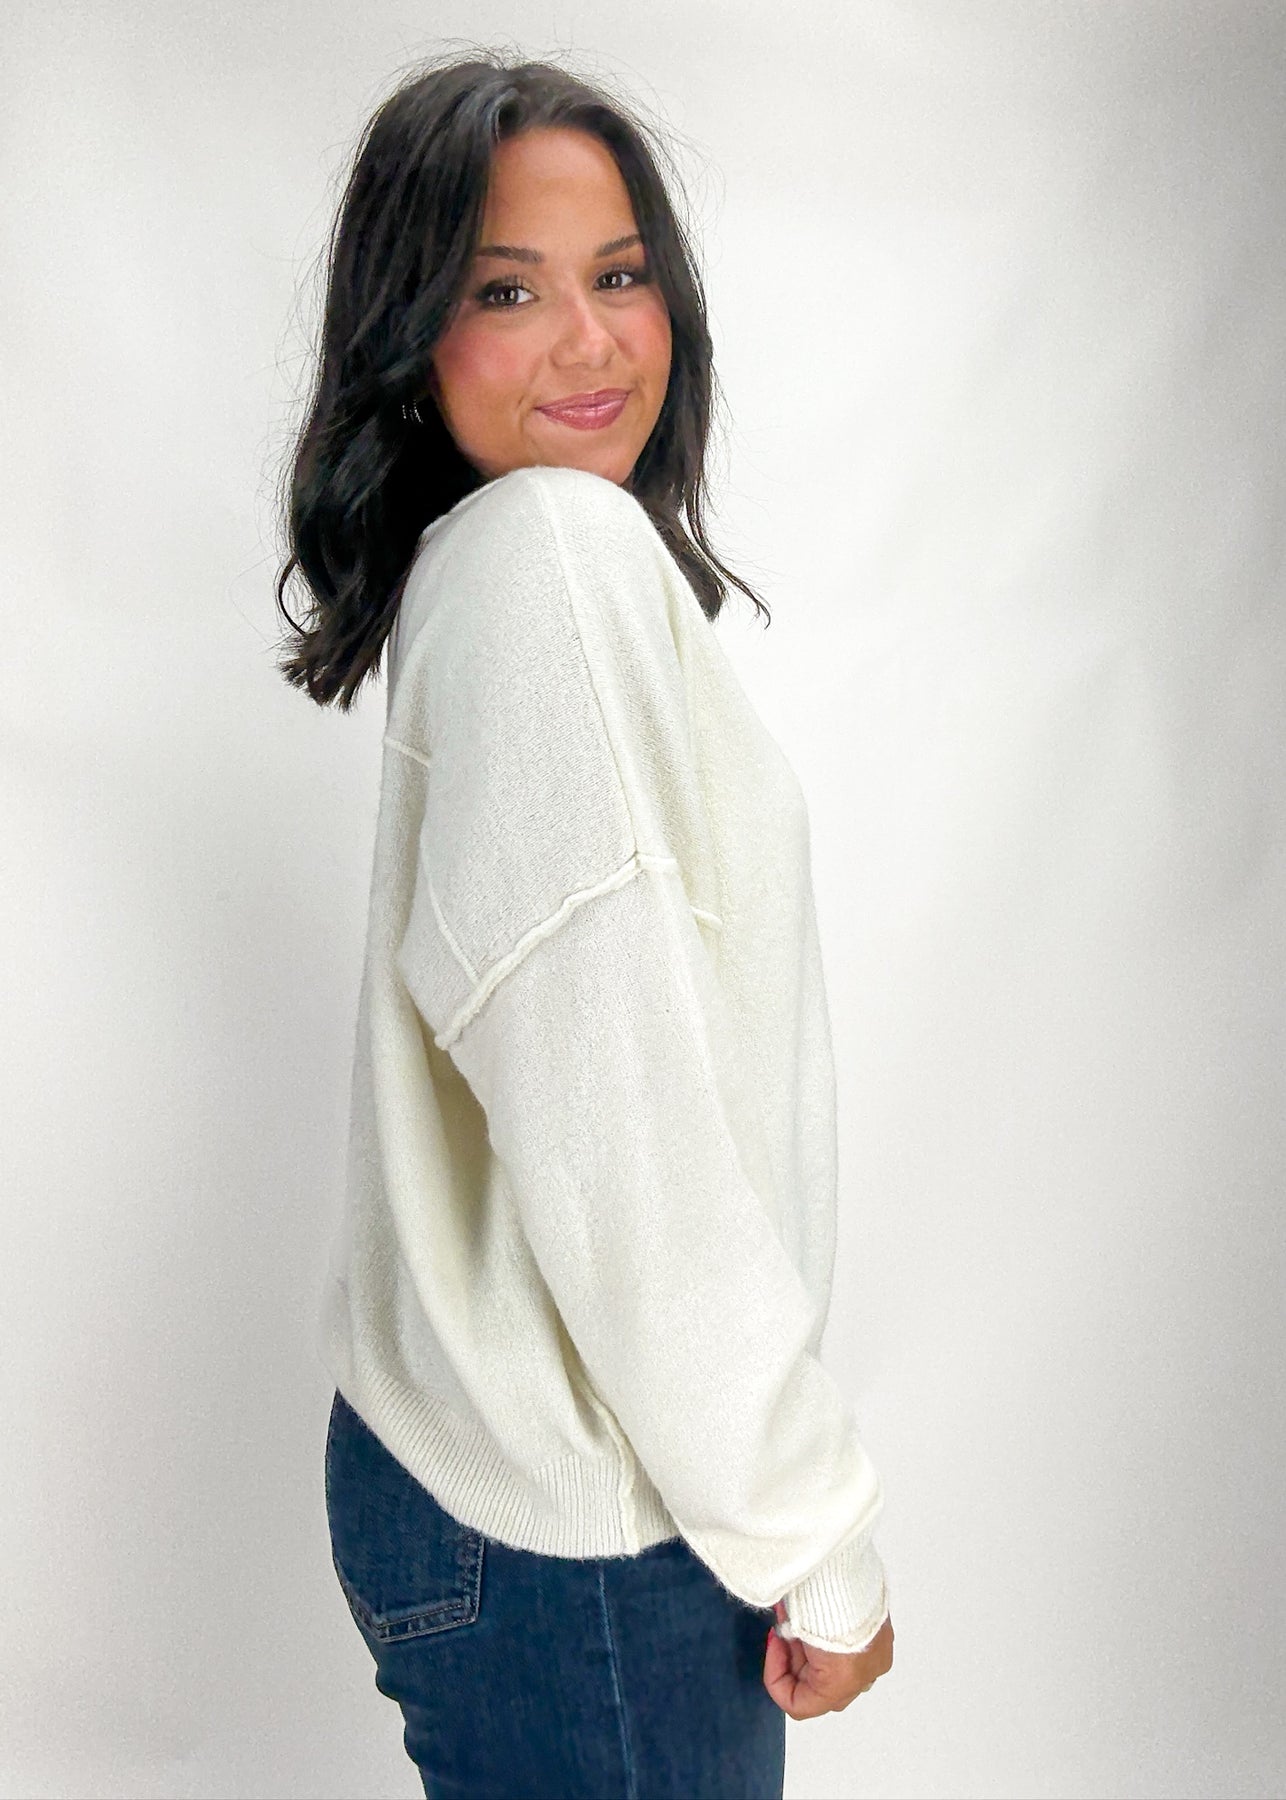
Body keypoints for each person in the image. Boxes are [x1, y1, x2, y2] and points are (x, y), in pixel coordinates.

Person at [274, 48, 894, 1799]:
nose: (589, 341)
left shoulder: (494, 568)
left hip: (495, 1497)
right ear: (410, 337)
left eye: (618, 275)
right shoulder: (547, 554)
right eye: (504, 291)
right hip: (586, 1528)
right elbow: (622, 1133)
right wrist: (811, 1529)